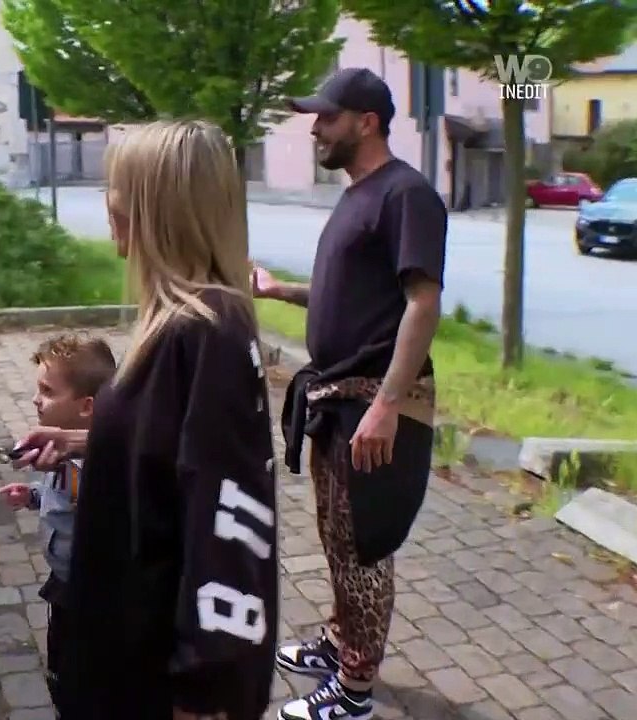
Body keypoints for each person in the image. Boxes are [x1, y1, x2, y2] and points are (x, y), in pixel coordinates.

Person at [11, 119, 279, 720]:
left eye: (119, 186)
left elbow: (228, 520)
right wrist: (85, 440)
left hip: (157, 680)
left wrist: (204, 695)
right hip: (126, 654)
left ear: (159, 205)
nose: (106, 200)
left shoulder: (203, 333)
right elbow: (170, 452)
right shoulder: (185, 323)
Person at [255, 67, 447, 720]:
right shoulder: (357, 195)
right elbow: (358, 295)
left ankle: (355, 692)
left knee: (364, 546)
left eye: (327, 117)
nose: (315, 128)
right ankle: (342, 643)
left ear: (366, 121)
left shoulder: (406, 195)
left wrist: (388, 406)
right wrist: (284, 292)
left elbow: (423, 303)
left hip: (374, 401)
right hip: (336, 399)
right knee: (337, 539)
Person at [0, 332, 116, 717]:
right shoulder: (61, 454)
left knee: (82, 679)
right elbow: (60, 495)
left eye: (47, 391)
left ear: (87, 407)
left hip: (89, 596)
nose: (36, 399)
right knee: (60, 667)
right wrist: (32, 495)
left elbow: (90, 499)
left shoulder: (89, 466)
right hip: (64, 584)